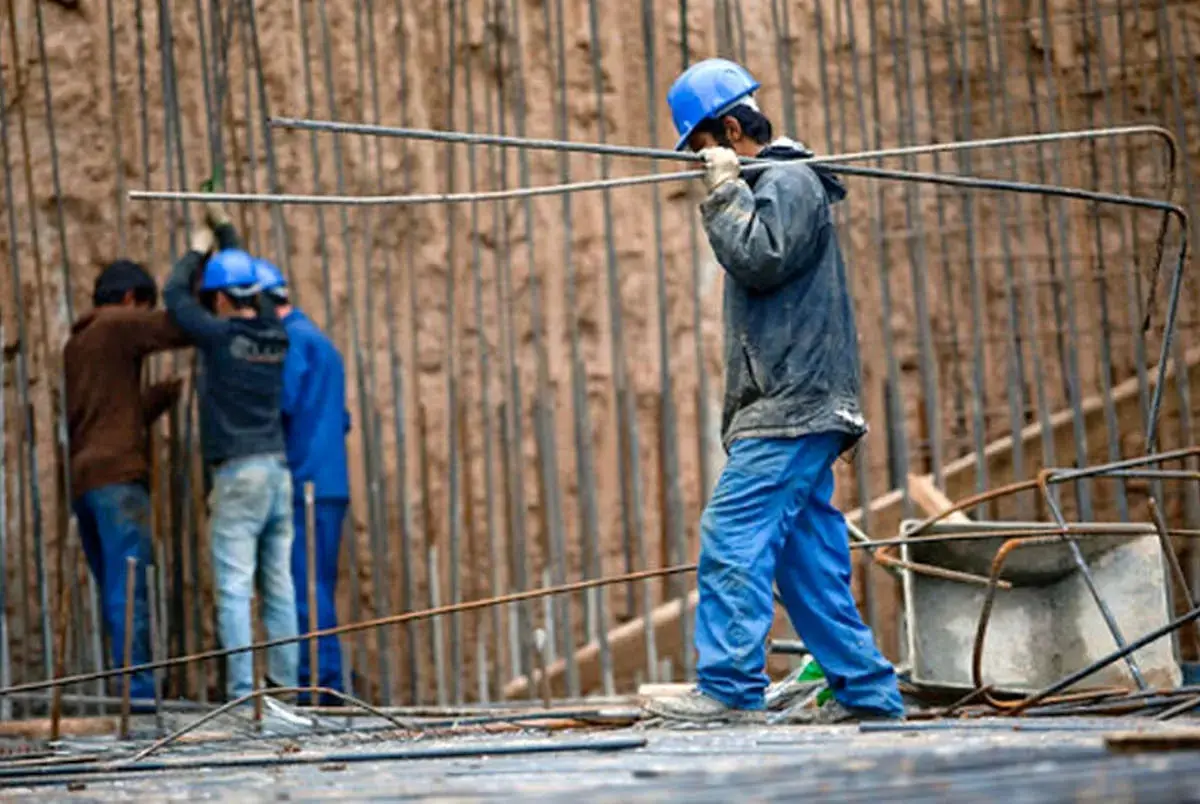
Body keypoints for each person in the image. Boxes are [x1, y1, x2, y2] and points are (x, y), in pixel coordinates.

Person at [645, 58, 904, 725]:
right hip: (798, 401)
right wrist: (734, 185)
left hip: (790, 404)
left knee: (733, 531)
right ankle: (867, 692)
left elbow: (758, 259)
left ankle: (729, 688)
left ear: (730, 128)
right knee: (807, 561)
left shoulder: (788, 179)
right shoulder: (776, 181)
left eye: (701, 149)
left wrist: (726, 192)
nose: (693, 166)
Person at [163, 205, 298, 702]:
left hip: (239, 474)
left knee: (236, 588)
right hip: (277, 472)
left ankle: (244, 695)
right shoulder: (275, 334)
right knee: (279, 586)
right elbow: (251, 286)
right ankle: (283, 689)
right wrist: (227, 233)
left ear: (220, 297)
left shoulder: (220, 339)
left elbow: (175, 297)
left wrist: (199, 248)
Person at [64, 260, 189, 709]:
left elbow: (110, 415)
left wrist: (157, 399)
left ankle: (128, 689)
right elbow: (179, 327)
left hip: (84, 480)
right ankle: (136, 696)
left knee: (115, 587)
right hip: (118, 479)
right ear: (131, 299)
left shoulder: (77, 342)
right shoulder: (117, 324)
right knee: (129, 587)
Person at [254, 259, 351, 703]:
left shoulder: (291, 340)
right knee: (319, 583)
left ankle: (321, 686)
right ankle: (324, 682)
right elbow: (341, 418)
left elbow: (282, 401)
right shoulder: (321, 342)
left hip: (305, 482)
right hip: (330, 481)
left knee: (305, 586)